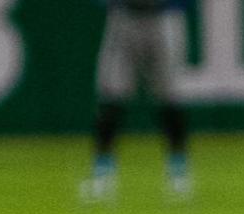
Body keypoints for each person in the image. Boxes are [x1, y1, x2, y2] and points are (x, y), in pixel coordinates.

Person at [82, 0, 194, 202]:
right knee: (111, 93)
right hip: (124, 16)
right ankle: (102, 171)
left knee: (169, 95)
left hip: (164, 17)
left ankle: (179, 170)